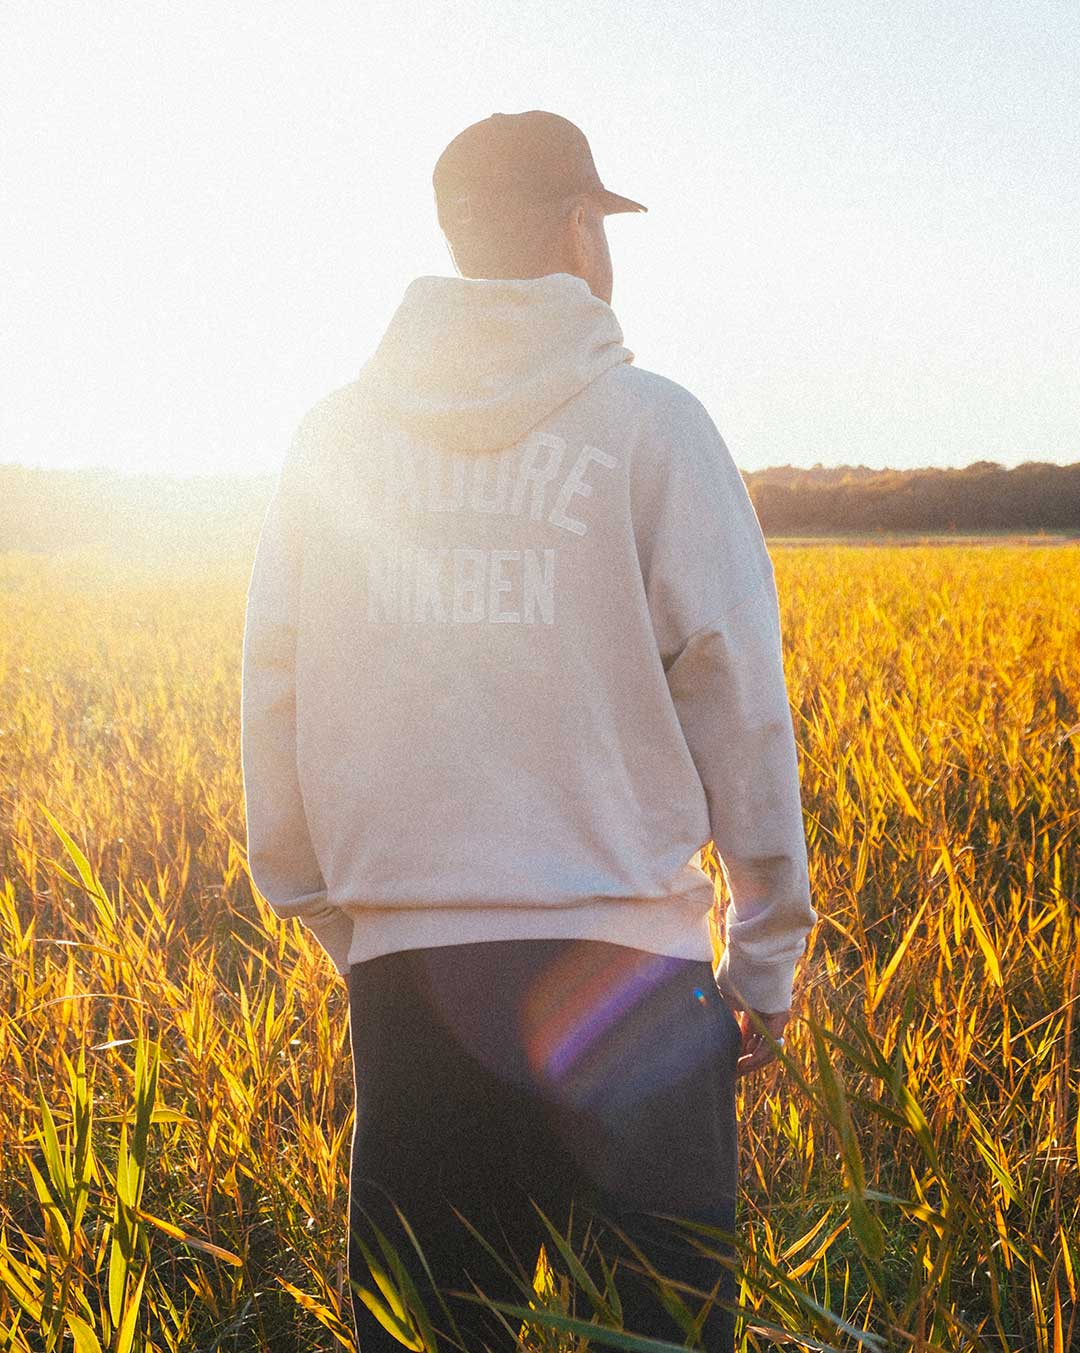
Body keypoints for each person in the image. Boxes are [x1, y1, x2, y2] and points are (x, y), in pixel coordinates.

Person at [240, 109, 818, 1353]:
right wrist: (765, 958)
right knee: (664, 1335)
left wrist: (348, 922)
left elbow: (274, 691)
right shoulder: (655, 425)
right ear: (577, 229)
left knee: (432, 1335)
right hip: (637, 989)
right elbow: (737, 694)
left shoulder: (333, 442)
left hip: (413, 993)